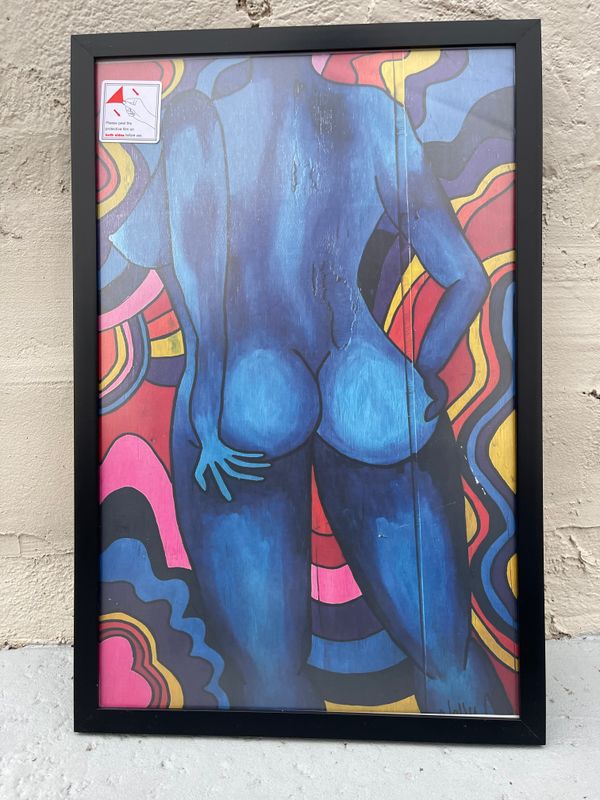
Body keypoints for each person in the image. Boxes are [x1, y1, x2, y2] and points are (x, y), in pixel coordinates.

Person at [111, 54, 511, 714]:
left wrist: (206, 419)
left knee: (270, 684)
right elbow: (467, 278)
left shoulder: (197, 119)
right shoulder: (376, 115)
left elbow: (185, 276)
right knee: (449, 661)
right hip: (370, 381)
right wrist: (425, 375)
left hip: (244, 389)